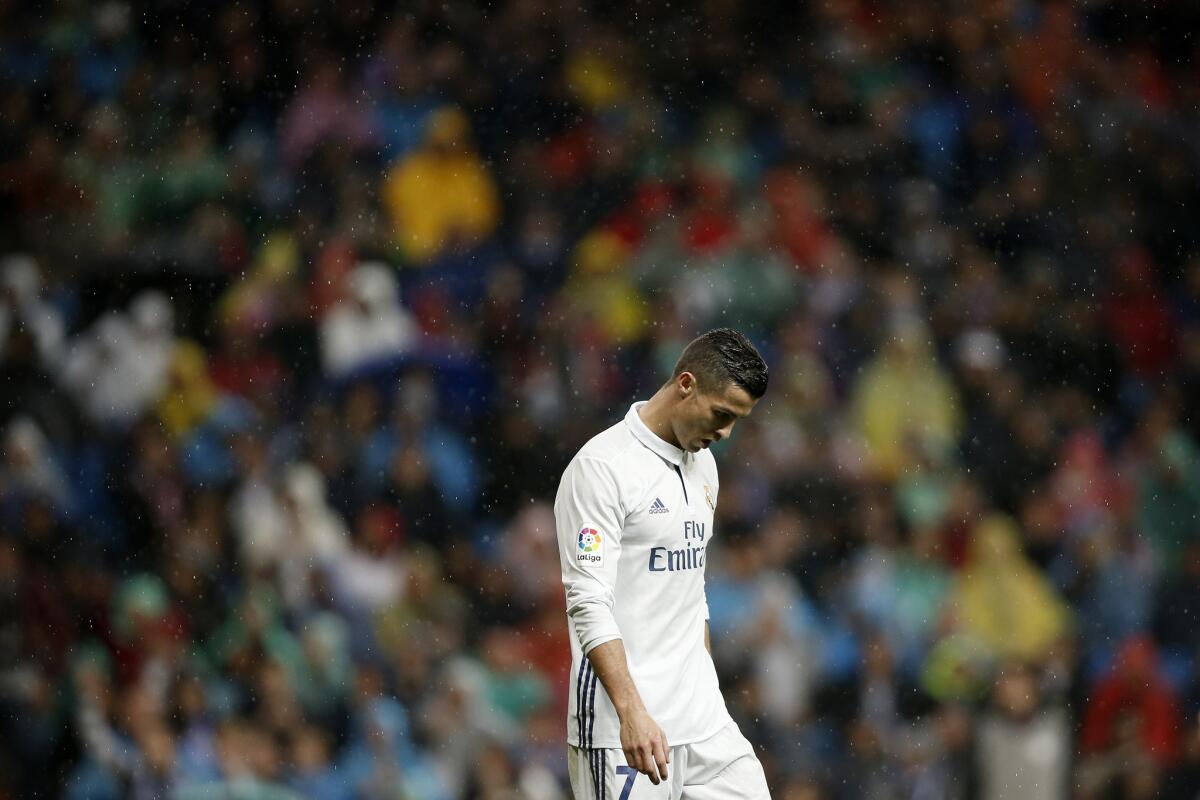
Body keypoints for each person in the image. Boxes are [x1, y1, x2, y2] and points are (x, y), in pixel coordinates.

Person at [555, 328, 771, 798]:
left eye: (738, 421)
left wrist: (707, 692)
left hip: (703, 722)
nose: (726, 433)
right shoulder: (601, 469)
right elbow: (587, 600)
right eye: (722, 415)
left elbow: (692, 591)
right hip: (624, 730)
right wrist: (632, 711)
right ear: (687, 384)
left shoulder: (705, 465)